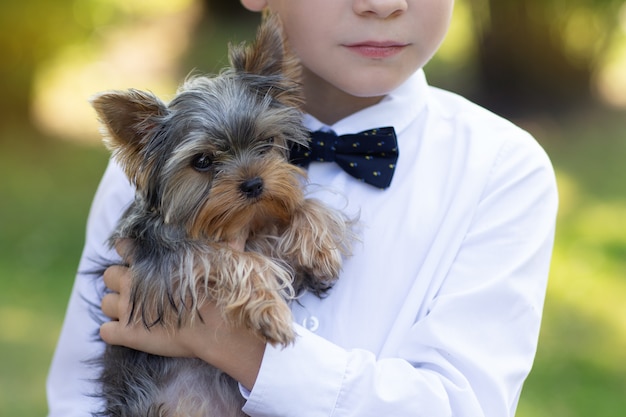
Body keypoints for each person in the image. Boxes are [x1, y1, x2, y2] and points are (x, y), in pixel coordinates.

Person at [47, 0, 559, 416]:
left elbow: (461, 405)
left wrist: (248, 352)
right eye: (206, 162)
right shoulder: (156, 167)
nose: (382, 5)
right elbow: (76, 397)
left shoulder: (503, 171)